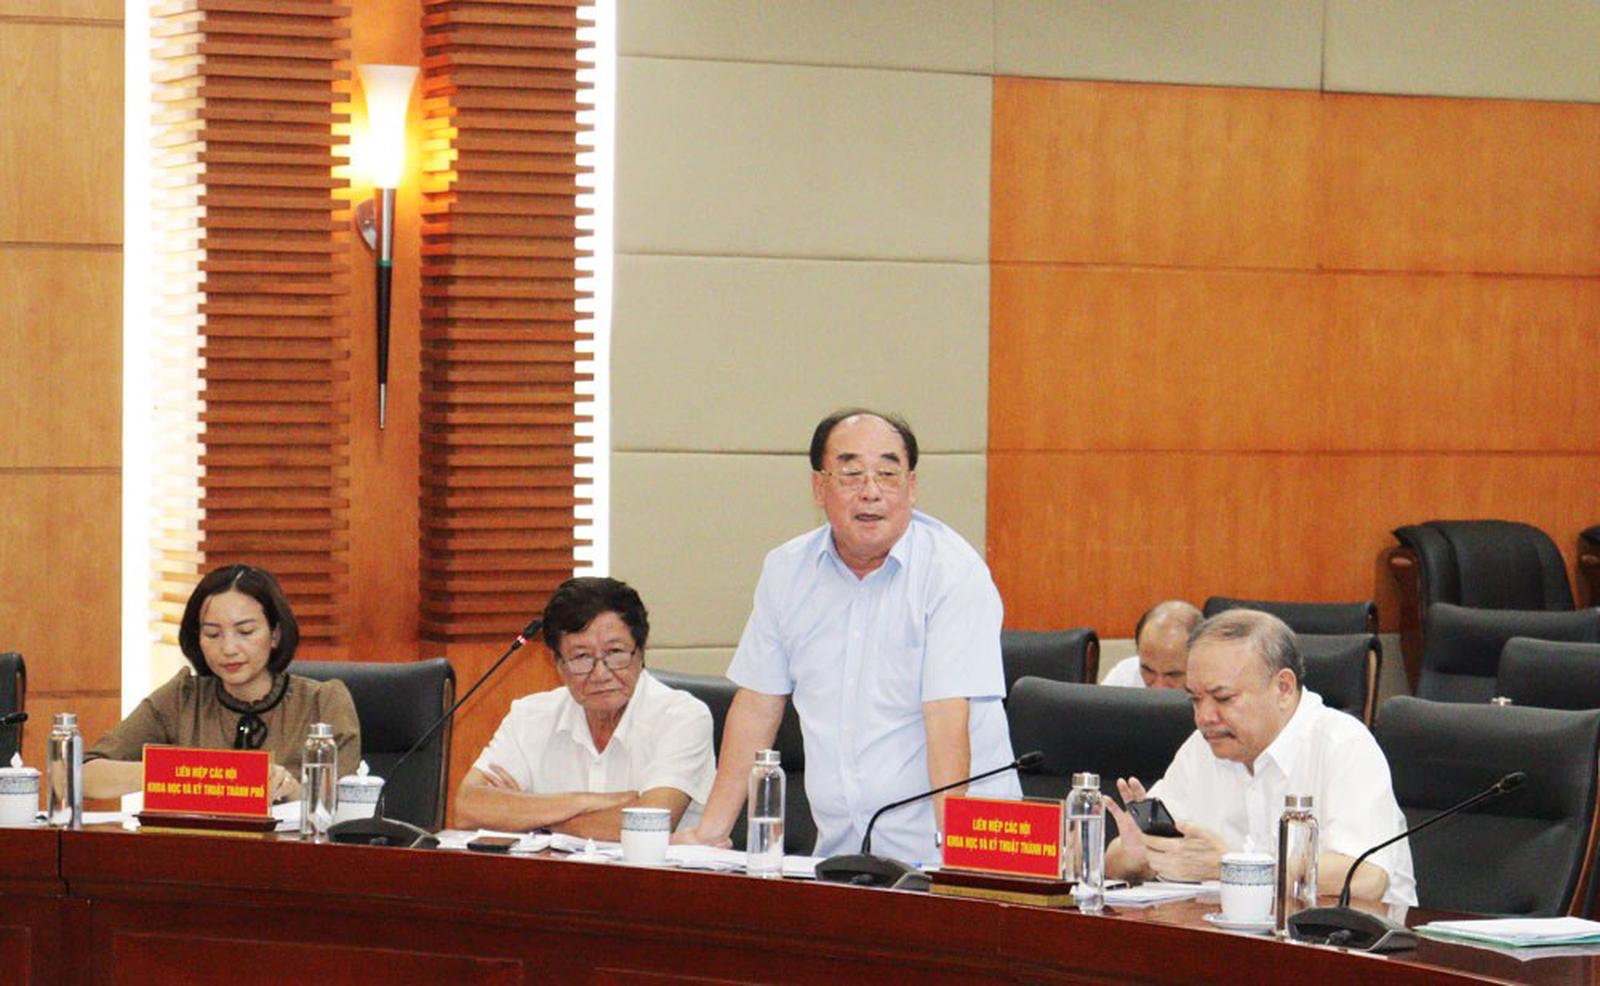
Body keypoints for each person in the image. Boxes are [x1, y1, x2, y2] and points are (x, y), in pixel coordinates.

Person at [676, 409, 1019, 864]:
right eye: (852, 474)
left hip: (951, 846)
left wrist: (955, 858)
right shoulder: (787, 571)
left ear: (912, 487)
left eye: (888, 474)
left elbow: (946, 716)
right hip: (843, 848)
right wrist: (711, 832)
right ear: (819, 488)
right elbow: (758, 704)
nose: (871, 491)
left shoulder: (953, 573)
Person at [1105, 609, 1416, 905]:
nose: (1204, 717)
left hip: (1342, 938)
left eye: (1223, 698)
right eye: (1195, 699)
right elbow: (1118, 858)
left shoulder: (1342, 744)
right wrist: (1139, 856)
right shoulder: (1201, 748)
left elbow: (1366, 878)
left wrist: (1230, 866)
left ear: (1283, 688)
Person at [455, 576, 715, 840]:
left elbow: (648, 825)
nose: (601, 674)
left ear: (640, 651)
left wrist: (532, 819)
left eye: (615, 652)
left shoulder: (682, 717)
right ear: (558, 664)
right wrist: (587, 801)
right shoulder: (530, 716)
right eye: (581, 657)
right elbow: (468, 807)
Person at [84, 564, 360, 803]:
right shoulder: (181, 698)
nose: (228, 649)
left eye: (245, 631)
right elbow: (80, 775)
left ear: (275, 634)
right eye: (212, 634)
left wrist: (293, 791)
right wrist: (180, 772)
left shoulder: (324, 702)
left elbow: (347, 806)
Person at [1101, 600, 1203, 689]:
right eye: (1148, 671)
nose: (1159, 687)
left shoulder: (1211, 689)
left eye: (1173, 675)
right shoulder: (1124, 676)